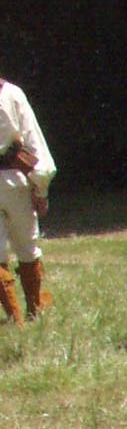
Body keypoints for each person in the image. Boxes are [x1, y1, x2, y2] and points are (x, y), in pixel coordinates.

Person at [0, 73, 54, 321]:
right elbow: (34, 142)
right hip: (17, 182)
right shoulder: (12, 94)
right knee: (28, 248)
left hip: (14, 179)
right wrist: (41, 189)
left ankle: (15, 318)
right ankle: (34, 309)